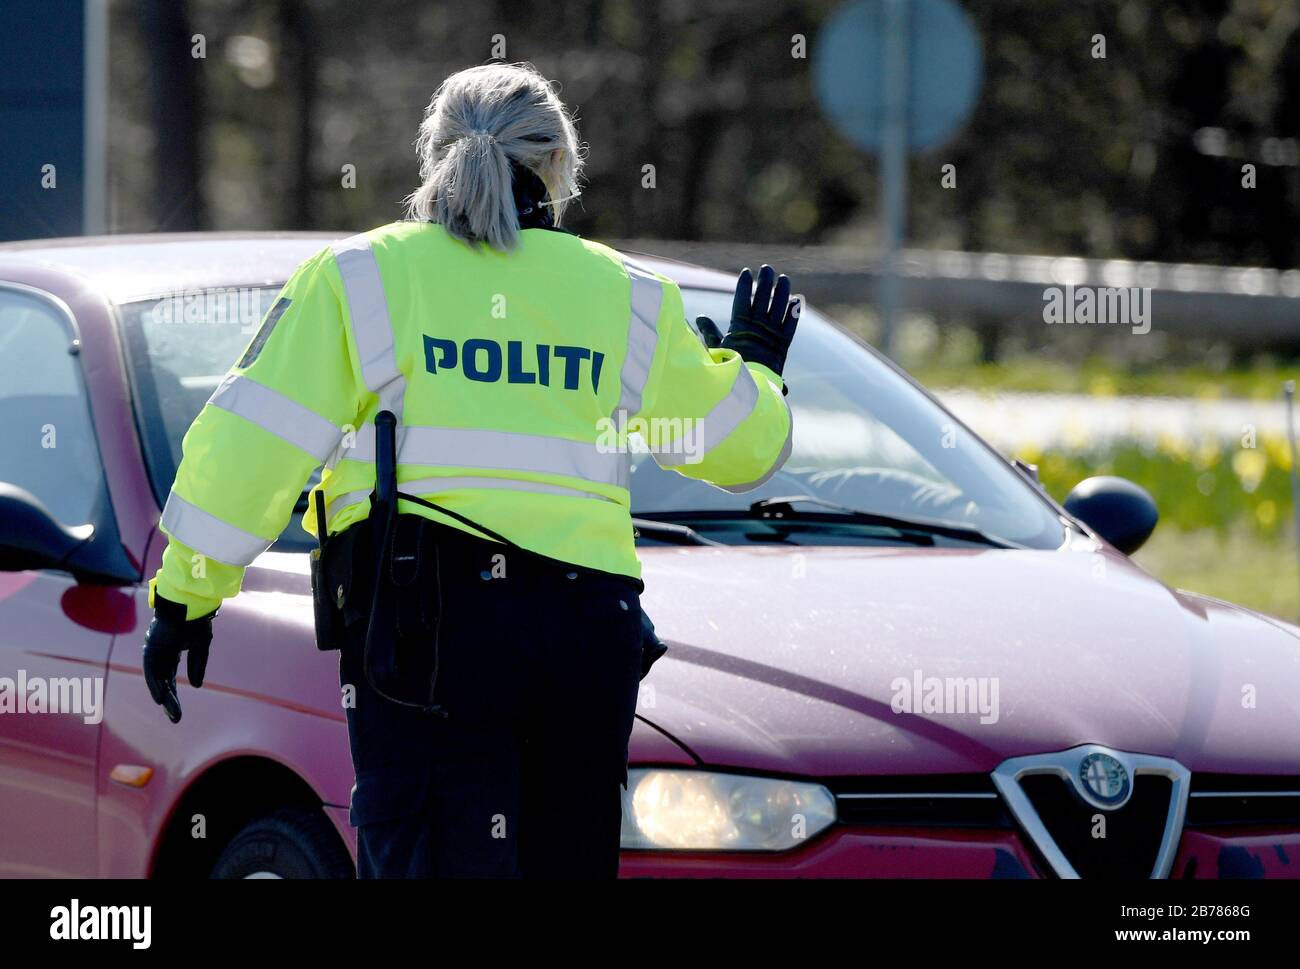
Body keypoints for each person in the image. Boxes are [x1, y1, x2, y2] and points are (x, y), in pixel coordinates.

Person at [141, 62, 799, 878]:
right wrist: (760, 366)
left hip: (428, 637)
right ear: (558, 165)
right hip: (584, 642)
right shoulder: (628, 295)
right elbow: (740, 449)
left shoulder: (363, 277)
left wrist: (184, 597)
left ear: (435, 157)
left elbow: (252, 446)